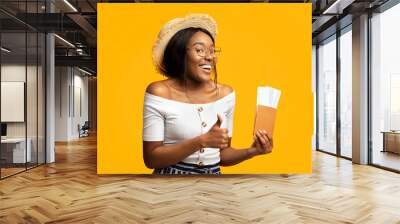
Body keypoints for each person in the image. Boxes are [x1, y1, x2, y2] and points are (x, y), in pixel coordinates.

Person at [142, 14, 272, 175]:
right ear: (180, 53)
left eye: (212, 51)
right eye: (200, 50)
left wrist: (252, 151)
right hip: (169, 181)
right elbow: (151, 158)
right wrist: (201, 141)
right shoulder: (159, 92)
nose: (209, 57)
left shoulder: (226, 94)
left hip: (213, 181)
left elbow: (222, 155)